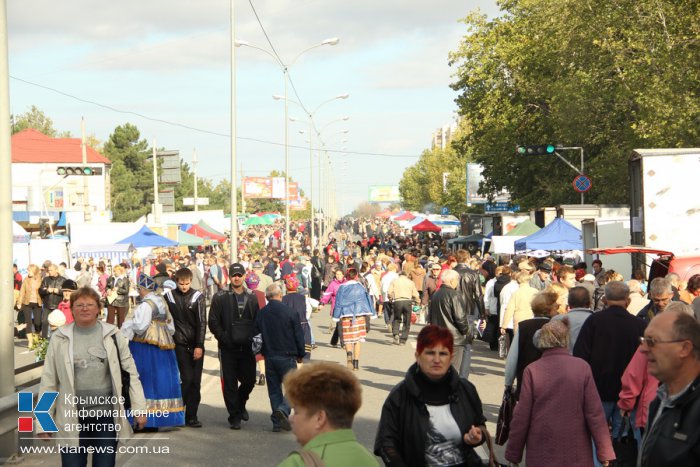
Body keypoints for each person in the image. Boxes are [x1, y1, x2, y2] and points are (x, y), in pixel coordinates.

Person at [37, 286, 147, 467]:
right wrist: (43, 422)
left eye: (89, 304)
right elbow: (49, 381)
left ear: (98, 308)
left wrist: (139, 409)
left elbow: (130, 373)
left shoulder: (113, 335)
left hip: (104, 418)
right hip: (72, 417)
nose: (85, 308)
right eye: (79, 305)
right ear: (71, 309)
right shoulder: (60, 338)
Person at [505, 319, 615, 466]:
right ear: (565, 339)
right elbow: (594, 413)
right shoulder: (582, 368)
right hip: (577, 450)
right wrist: (604, 452)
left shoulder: (532, 370)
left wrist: (514, 453)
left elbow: (522, 416)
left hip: (541, 450)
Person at [374, 325, 488, 466]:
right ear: (417, 356)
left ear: (451, 357)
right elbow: (386, 443)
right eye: (430, 353)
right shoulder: (399, 396)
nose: (436, 359)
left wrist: (478, 436)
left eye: (443, 354)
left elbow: (480, 425)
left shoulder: (466, 390)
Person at [573, 281, 646, 467]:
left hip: (598, 390)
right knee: (624, 438)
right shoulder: (639, 324)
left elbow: (580, 356)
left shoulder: (594, 322)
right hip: (630, 393)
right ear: (627, 300)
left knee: (596, 435)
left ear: (605, 299)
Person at [278, 362, 380, 467]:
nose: (291, 419)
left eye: (296, 412)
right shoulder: (369, 460)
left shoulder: (297, 463)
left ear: (319, 418)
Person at [121, 274, 185, 429]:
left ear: (143, 289)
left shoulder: (146, 305)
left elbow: (141, 326)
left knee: (145, 379)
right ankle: (164, 418)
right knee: (163, 379)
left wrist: (128, 325)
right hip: (164, 344)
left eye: (139, 289)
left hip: (145, 346)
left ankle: (145, 418)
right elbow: (170, 326)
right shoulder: (161, 301)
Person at [637, 308, 700, 466]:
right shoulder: (660, 400)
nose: (643, 349)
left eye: (652, 341)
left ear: (685, 348)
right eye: (643, 340)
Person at [208, 263, 260, 430]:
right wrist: (224, 337)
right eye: (233, 275)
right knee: (229, 382)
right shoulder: (220, 296)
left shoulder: (252, 297)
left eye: (239, 274)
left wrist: (255, 340)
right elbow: (213, 321)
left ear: (244, 276)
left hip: (247, 347)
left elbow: (257, 321)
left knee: (250, 380)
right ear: (229, 277)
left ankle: (241, 402)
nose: (236, 277)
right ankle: (234, 415)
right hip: (227, 347)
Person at [255, 283, 306, 432]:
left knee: (274, 390)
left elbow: (256, 334)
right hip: (287, 355)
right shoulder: (290, 312)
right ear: (280, 295)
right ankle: (283, 410)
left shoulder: (261, 313)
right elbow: (298, 335)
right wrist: (301, 354)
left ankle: (277, 424)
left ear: (267, 297)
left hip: (269, 355)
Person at [163, 267, 206, 428]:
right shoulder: (169, 297)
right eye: (181, 284)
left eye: (187, 283)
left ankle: (192, 416)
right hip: (179, 344)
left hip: (195, 344)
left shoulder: (197, 297)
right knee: (186, 379)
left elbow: (202, 323)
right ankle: (178, 411)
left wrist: (199, 345)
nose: (184, 287)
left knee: (195, 382)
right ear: (176, 282)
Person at [504, 291, 559, 398]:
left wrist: (508, 383)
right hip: (551, 381)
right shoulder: (557, 327)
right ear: (550, 308)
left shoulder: (524, 326)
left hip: (526, 379)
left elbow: (513, 357)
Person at [427, 269, 472, 379]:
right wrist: (466, 331)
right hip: (454, 339)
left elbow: (431, 316)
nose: (457, 282)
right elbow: (460, 318)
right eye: (457, 280)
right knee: (452, 369)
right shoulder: (454, 295)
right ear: (452, 281)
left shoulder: (436, 294)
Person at [333, 268, 377, 370]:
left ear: (347, 276)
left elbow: (338, 303)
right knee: (357, 340)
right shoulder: (361, 287)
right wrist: (372, 313)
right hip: (359, 315)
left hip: (345, 316)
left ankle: (349, 355)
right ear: (356, 276)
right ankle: (356, 363)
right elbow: (367, 300)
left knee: (348, 339)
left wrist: (335, 316)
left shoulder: (342, 287)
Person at [551, 286, 594, 351]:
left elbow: (540, 339)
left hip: (564, 359)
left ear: (569, 304)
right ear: (589, 303)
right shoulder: (598, 320)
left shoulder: (557, 319)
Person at [282, 275, 312, 362]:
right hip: (303, 326)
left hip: (288, 328)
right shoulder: (304, 299)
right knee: (304, 354)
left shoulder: (282, 299)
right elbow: (308, 313)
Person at [500, 270, 537, 335]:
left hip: (519, 320)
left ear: (518, 281)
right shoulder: (535, 292)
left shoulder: (516, 293)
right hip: (532, 319)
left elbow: (509, 310)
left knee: (519, 341)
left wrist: (504, 326)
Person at [387, 272, 420, 345]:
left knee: (396, 319)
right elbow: (415, 294)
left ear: (399, 275)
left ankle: (396, 334)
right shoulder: (410, 282)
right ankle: (403, 340)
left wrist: (390, 298)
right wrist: (418, 302)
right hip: (407, 301)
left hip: (397, 301)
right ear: (406, 276)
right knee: (407, 321)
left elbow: (389, 292)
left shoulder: (394, 281)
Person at [18, 264, 43, 347]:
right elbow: (22, 291)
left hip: (38, 303)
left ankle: (36, 338)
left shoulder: (41, 279)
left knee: (37, 322)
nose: (28, 272)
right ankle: (30, 342)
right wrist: (19, 302)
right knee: (28, 322)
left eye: (30, 270)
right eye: (28, 270)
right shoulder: (26, 279)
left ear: (34, 271)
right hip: (27, 303)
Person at [39, 263, 64, 339]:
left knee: (58, 322)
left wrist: (59, 291)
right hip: (48, 304)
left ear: (56, 270)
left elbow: (67, 292)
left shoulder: (63, 280)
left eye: (51, 270)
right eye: (49, 270)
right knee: (45, 322)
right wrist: (47, 290)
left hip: (58, 305)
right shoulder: (46, 279)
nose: (49, 272)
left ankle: (59, 338)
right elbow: (40, 290)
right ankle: (44, 340)